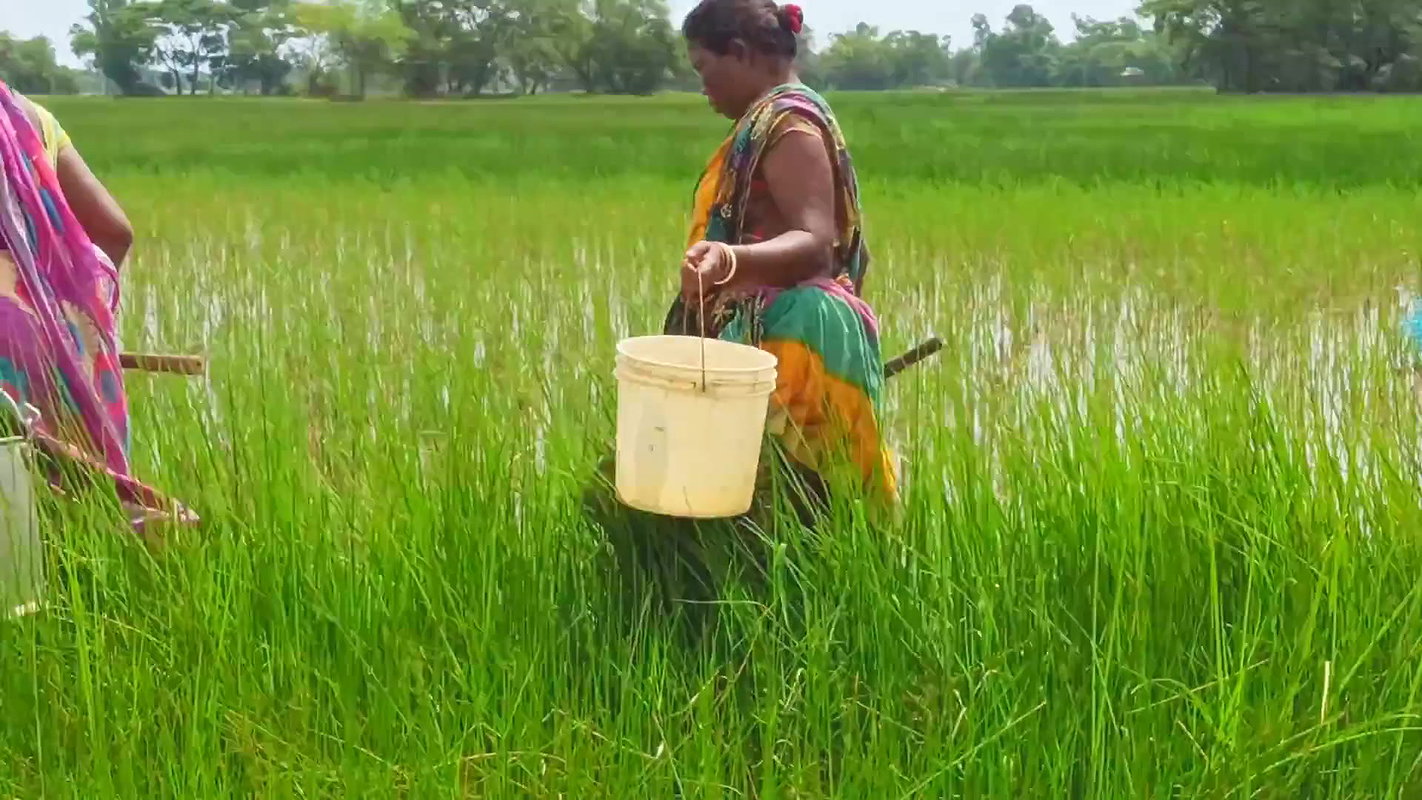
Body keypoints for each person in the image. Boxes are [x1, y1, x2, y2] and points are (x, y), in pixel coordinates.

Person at [669, 0, 897, 507]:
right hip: (766, 341)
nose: (703, 86)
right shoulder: (765, 123)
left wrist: (728, 260)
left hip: (794, 347)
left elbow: (815, 242)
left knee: (794, 506)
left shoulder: (789, 125)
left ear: (741, 52)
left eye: (704, 69)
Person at [0, 80, 194, 532]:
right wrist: (71, 320)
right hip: (61, 337)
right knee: (73, 503)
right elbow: (114, 231)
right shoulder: (30, 117)